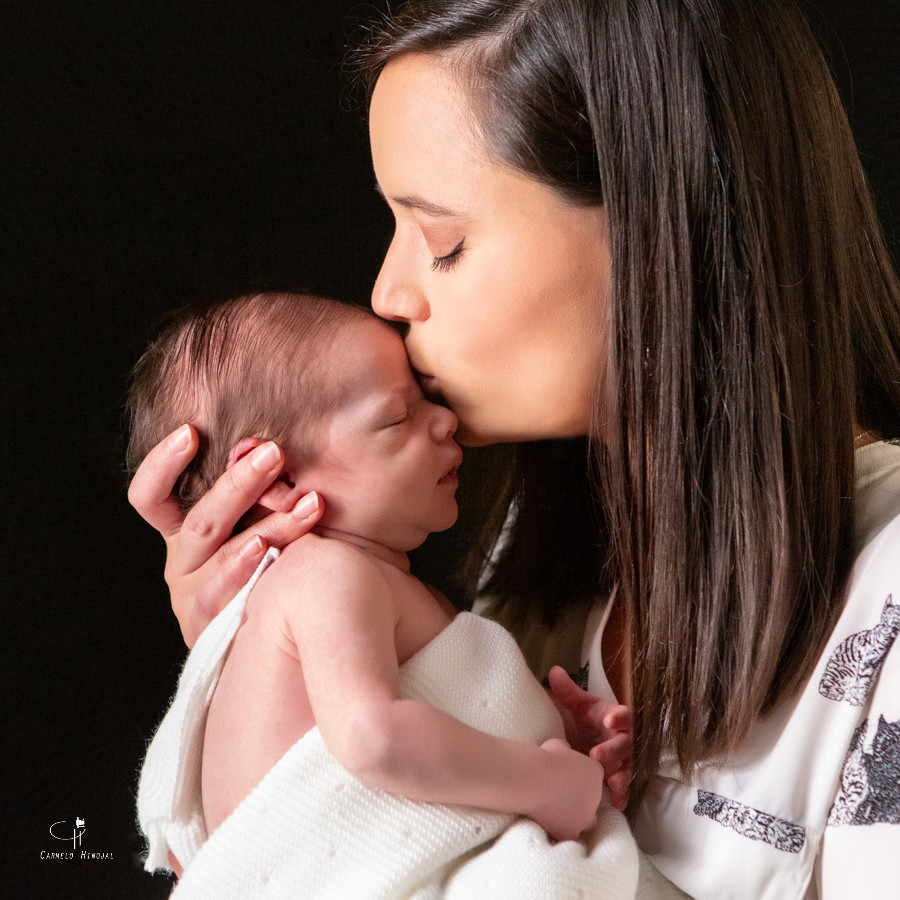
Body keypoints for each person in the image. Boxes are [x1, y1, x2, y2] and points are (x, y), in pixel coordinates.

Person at [127, 1, 900, 896]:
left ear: (658, 226)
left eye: (443, 242)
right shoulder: (534, 574)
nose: (388, 292)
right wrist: (252, 686)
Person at [129, 292, 636, 897]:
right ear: (277, 477)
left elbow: (440, 738)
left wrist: (549, 730)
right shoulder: (323, 574)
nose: (444, 420)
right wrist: (544, 780)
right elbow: (373, 738)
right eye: (399, 416)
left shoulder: (381, 588)